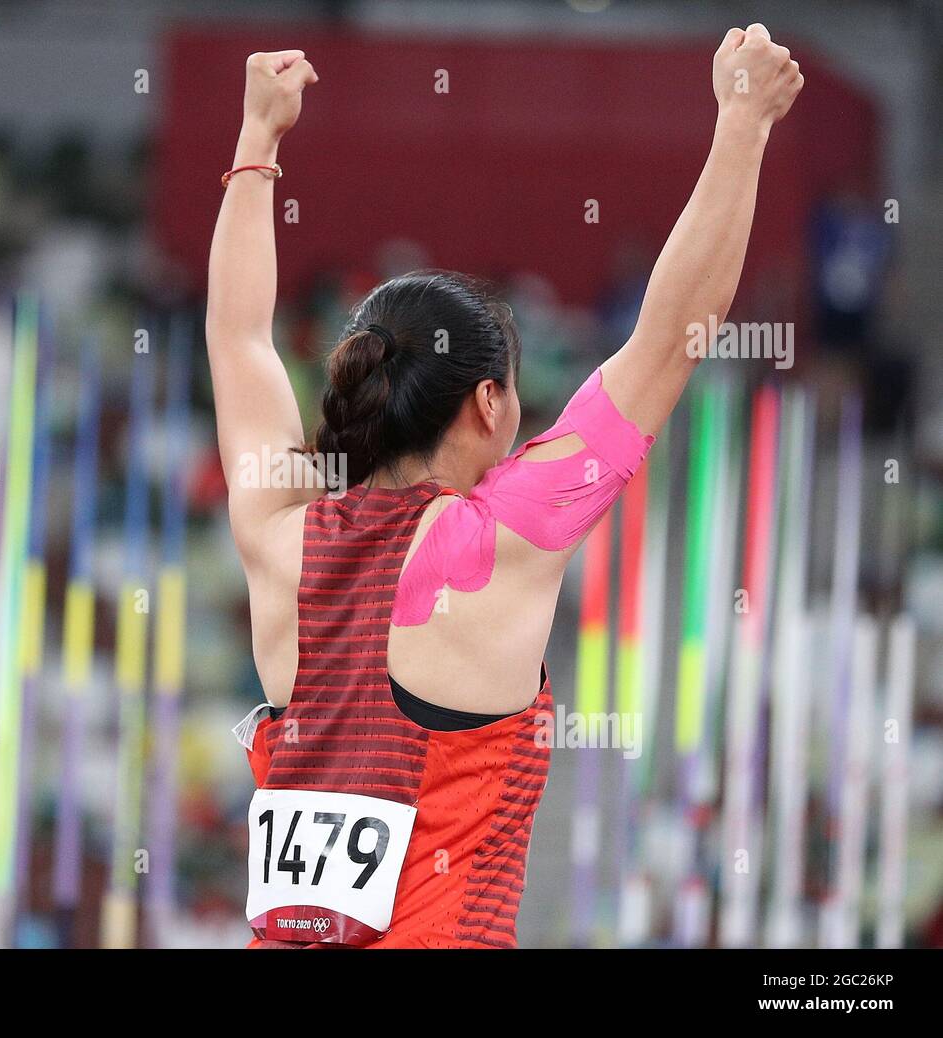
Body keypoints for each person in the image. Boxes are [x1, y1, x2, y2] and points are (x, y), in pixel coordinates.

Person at [206, 27, 802, 948]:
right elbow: (672, 335)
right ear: (489, 401)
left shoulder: (280, 535)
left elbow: (239, 340)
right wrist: (743, 124)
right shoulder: (506, 536)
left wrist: (257, 142)